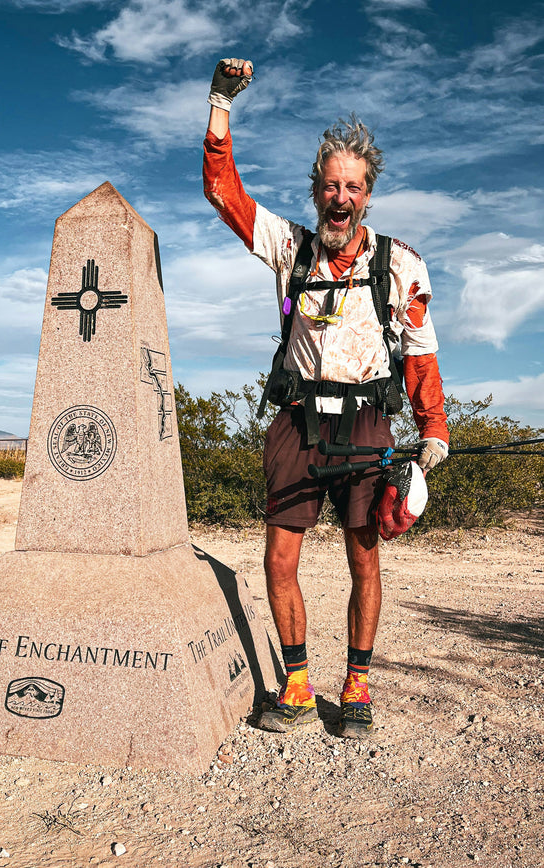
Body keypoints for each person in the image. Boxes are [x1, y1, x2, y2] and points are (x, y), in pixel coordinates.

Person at [203, 58, 450, 738]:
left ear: (367, 195)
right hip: (296, 422)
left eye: (354, 187)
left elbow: (422, 350)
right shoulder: (291, 248)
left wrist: (434, 431)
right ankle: (298, 687)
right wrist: (221, 104)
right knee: (279, 559)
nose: (340, 198)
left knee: (362, 554)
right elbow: (224, 193)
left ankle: (359, 686)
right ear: (315, 190)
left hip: (368, 423)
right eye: (331, 185)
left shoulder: (400, 264)